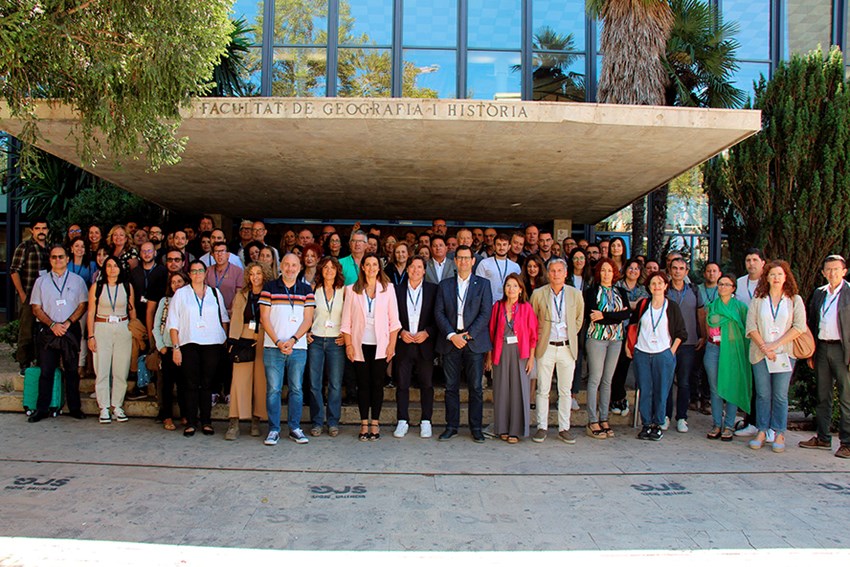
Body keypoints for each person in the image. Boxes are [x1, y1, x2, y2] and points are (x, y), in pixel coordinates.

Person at [746, 260, 805, 452]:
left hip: (784, 354)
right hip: (760, 353)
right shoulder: (758, 300)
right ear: (767, 277)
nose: (776, 278)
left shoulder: (794, 300)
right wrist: (765, 347)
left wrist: (775, 345)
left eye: (779, 274)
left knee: (780, 395)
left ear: (786, 277)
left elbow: (799, 327)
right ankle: (762, 430)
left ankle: (779, 432)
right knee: (763, 394)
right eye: (772, 274)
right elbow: (751, 326)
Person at [434, 245, 492, 442]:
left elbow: (485, 313)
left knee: (475, 387)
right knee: (451, 387)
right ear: (455, 261)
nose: (464, 261)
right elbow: (439, 312)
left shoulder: (483, 284)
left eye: (467, 258)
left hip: (473, 342)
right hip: (451, 341)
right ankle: (451, 426)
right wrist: (452, 335)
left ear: (473, 261)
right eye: (460, 258)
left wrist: (467, 336)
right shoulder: (445, 285)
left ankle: (476, 428)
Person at [341, 253, 401, 441]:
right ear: (363, 267)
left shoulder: (388, 289)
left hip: (381, 345)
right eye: (368, 264)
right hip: (359, 344)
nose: (371, 268)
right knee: (363, 385)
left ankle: (375, 422)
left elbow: (394, 321)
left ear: (379, 267)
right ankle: (363, 423)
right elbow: (346, 322)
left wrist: (392, 345)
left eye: (375, 264)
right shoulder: (352, 290)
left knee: (377, 384)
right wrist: (348, 345)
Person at [167, 260, 230, 437]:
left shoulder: (214, 293)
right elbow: (173, 323)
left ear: (205, 273)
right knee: (190, 384)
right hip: (189, 343)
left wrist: (224, 340)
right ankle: (191, 422)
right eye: (193, 271)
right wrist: (176, 348)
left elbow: (224, 319)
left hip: (212, 344)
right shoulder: (181, 294)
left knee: (207, 384)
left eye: (200, 270)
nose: (197, 274)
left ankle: (206, 421)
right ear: (189, 274)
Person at [27, 245, 88, 422]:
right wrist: (53, 325)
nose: (57, 260)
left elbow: (83, 305)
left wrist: (68, 323)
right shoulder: (41, 282)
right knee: (46, 371)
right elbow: (36, 308)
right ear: (50, 260)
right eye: (54, 257)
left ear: (67, 259)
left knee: (72, 371)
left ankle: (75, 408)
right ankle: (41, 409)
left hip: (70, 329)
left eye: (61, 257)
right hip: (48, 330)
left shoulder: (77, 281)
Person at [259, 253, 315, 446]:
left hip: (297, 347)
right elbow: (264, 318)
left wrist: (292, 340)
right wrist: (278, 342)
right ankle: (273, 429)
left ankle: (295, 428)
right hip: (272, 347)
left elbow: (308, 319)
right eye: (287, 265)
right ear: (281, 266)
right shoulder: (269, 288)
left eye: (294, 265)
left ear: (299, 268)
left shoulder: (306, 290)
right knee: (273, 390)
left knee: (297, 389)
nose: (290, 268)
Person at [800, 255, 850, 458]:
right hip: (821, 348)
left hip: (843, 350)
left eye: (836, 269)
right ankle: (822, 437)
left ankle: (847, 443)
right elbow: (812, 321)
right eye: (828, 269)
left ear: (844, 271)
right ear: (823, 272)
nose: (832, 273)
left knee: (846, 397)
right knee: (822, 395)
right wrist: (811, 352)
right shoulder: (819, 293)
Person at [628, 271, 687, 441]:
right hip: (642, 353)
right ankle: (646, 424)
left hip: (663, 354)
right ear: (648, 286)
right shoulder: (643, 304)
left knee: (661, 391)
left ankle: (658, 424)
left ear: (666, 286)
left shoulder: (672, 307)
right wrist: (629, 347)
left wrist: (671, 351)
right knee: (645, 390)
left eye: (660, 283)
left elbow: (681, 333)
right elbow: (633, 325)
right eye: (653, 283)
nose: (657, 286)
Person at [530, 258, 583, 444]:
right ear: (548, 273)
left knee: (565, 391)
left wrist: (569, 334)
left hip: (567, 347)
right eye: (552, 270)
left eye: (560, 270)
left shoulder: (575, 294)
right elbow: (532, 320)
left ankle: (564, 428)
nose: (556, 274)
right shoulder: (538, 294)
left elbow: (579, 319)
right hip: (546, 347)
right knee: (543, 389)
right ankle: (541, 427)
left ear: (566, 273)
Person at [485, 274, 538, 443]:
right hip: (500, 352)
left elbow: (533, 335)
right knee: (501, 390)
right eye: (508, 285)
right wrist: (489, 357)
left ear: (521, 289)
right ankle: (502, 428)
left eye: (515, 286)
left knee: (518, 390)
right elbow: (491, 332)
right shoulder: (497, 307)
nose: (511, 289)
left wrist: (531, 358)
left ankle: (515, 430)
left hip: (520, 353)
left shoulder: (526, 308)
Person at [583, 258, 631, 439]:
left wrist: (604, 315)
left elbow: (626, 314)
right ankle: (592, 420)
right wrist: (614, 316)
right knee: (595, 379)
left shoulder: (621, 291)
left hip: (616, 340)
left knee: (607, 380)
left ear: (614, 273)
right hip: (597, 339)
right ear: (598, 272)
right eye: (603, 270)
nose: (606, 274)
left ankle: (604, 418)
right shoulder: (591, 292)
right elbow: (592, 316)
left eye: (609, 270)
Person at [224, 262, 272, 441]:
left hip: (265, 337)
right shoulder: (242, 294)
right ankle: (234, 422)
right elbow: (235, 318)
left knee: (261, 381)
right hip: (244, 336)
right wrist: (233, 340)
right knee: (239, 381)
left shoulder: (270, 293)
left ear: (264, 274)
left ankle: (256, 420)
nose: (255, 277)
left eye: (258, 273)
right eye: (252, 274)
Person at [87, 256, 137, 424]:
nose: (112, 269)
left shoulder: (127, 286)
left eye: (115, 265)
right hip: (102, 326)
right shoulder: (97, 286)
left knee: (121, 369)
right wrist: (90, 335)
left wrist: (134, 329)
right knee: (102, 368)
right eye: (109, 266)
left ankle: (117, 405)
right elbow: (91, 312)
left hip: (123, 327)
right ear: (104, 268)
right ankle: (104, 407)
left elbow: (132, 309)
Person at [393, 256, 438, 438]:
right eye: (412, 266)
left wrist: (427, 332)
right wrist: (400, 332)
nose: (415, 270)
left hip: (424, 343)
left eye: (419, 267)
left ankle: (426, 421)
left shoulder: (433, 290)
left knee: (426, 384)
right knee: (402, 384)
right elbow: (390, 316)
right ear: (407, 269)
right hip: (403, 343)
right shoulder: (396, 290)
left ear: (424, 271)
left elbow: (438, 317)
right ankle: (402, 420)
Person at [703, 273, 751, 441]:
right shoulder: (711, 306)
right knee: (715, 388)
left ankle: (729, 425)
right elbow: (707, 328)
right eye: (720, 284)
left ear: (733, 288)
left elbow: (746, 331)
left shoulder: (740, 308)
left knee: (732, 386)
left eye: (726, 284)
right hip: (713, 349)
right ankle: (717, 424)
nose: (722, 287)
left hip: (732, 350)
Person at [307, 256, 347, 438]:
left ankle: (332, 422)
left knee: (335, 384)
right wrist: (306, 332)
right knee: (315, 383)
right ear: (320, 270)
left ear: (337, 270)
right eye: (325, 267)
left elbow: (350, 314)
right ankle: (317, 422)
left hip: (336, 342)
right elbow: (305, 313)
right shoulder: (313, 289)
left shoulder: (344, 291)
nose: (329, 271)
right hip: (315, 340)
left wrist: (346, 335)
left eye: (332, 267)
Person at [665, 257, 706, 433]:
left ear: (686, 272)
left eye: (681, 268)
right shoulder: (664, 290)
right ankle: (665, 415)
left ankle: (682, 417)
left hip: (688, 343)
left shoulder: (694, 291)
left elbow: (701, 314)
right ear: (669, 270)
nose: (677, 271)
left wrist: (703, 335)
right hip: (667, 343)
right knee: (667, 382)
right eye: (674, 268)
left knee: (684, 382)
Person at [126, 241, 168, 401]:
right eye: (143, 251)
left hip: (158, 317)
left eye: (149, 251)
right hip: (139, 316)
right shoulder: (135, 272)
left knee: (155, 350)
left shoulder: (162, 271)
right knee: (141, 351)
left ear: (155, 253)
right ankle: (142, 385)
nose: (147, 254)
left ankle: (157, 388)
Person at [10, 219, 50, 374]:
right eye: (38, 228)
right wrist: (22, 294)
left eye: (44, 228)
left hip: (45, 298)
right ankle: (24, 363)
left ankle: (40, 360)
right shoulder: (24, 247)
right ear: (32, 230)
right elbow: (14, 271)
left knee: (42, 331)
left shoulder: (50, 249)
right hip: (28, 295)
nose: (41, 231)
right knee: (26, 330)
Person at [734, 248, 767, 438]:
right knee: (747, 381)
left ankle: (760, 423)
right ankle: (750, 420)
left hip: (764, 339)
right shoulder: (739, 283)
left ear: (763, 262)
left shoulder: (769, 282)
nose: (751, 263)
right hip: (742, 337)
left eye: (755, 259)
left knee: (762, 385)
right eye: (748, 260)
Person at [610, 259, 649, 416]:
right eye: (630, 268)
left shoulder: (643, 289)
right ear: (625, 269)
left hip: (635, 332)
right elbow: (617, 307)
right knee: (616, 365)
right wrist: (633, 305)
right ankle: (617, 397)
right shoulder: (617, 286)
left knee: (625, 365)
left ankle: (619, 397)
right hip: (616, 330)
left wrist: (628, 305)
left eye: (636, 268)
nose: (633, 271)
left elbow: (642, 307)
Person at [152, 271, 190, 431]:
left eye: (179, 281)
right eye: (173, 282)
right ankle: (167, 416)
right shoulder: (165, 301)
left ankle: (185, 414)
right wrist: (161, 346)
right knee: (167, 384)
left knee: (184, 384)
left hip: (186, 346)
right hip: (168, 348)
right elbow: (156, 326)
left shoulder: (190, 300)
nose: (176, 285)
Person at [476, 233, 520, 303]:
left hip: (509, 304)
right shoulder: (484, 263)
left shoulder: (515, 267)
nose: (501, 248)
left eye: (504, 245)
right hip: (489, 304)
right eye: (499, 244)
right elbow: (478, 286)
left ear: (509, 247)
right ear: (494, 246)